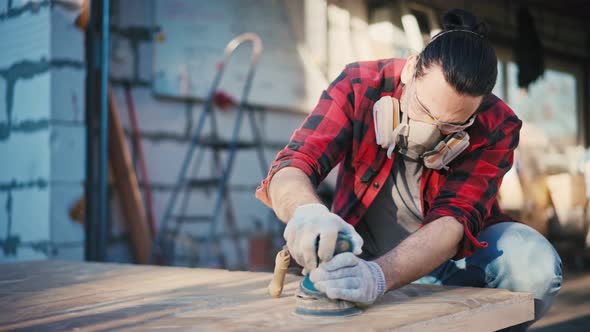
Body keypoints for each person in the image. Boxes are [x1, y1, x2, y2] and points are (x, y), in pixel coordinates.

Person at [256, 8, 561, 331]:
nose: (429, 133)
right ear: (412, 67)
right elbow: (294, 165)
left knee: (533, 265)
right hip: (362, 257)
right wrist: (307, 213)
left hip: (452, 262)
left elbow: (454, 219)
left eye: (448, 127)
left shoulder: (496, 125)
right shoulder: (360, 84)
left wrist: (380, 277)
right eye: (424, 110)